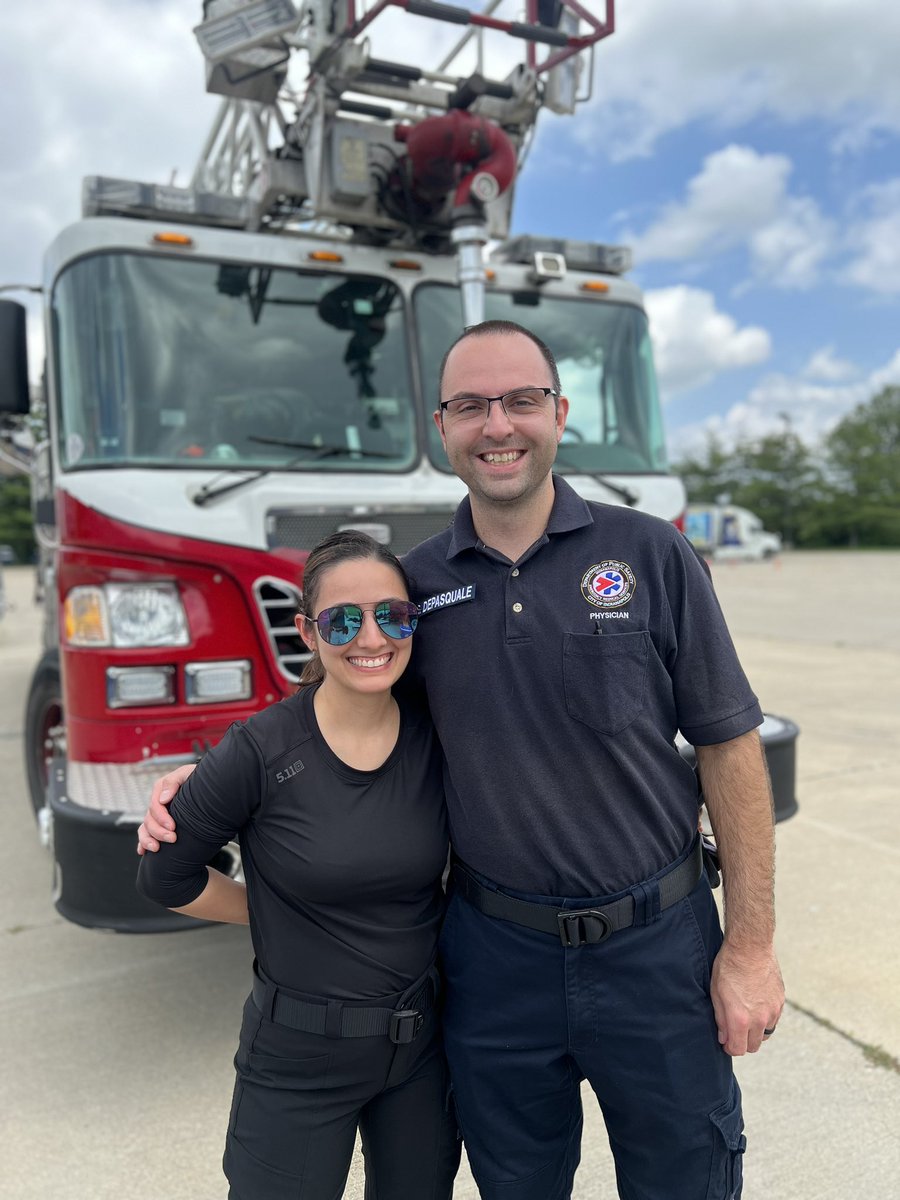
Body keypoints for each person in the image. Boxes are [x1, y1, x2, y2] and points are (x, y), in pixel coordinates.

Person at [140, 320, 784, 1200]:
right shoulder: (413, 590)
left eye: (522, 400)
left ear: (560, 413)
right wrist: (215, 780)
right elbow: (344, 691)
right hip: (494, 963)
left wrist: (749, 949)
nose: (499, 425)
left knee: (687, 1180)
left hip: (658, 954)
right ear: (440, 427)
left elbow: (729, 744)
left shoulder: (650, 553)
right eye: (471, 405)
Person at [136, 530, 460, 1200]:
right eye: (344, 620)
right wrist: (270, 907)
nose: (371, 638)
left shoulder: (440, 735)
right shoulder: (259, 749)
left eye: (393, 615)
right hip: (297, 1059)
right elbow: (164, 876)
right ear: (308, 632)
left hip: (422, 1053)